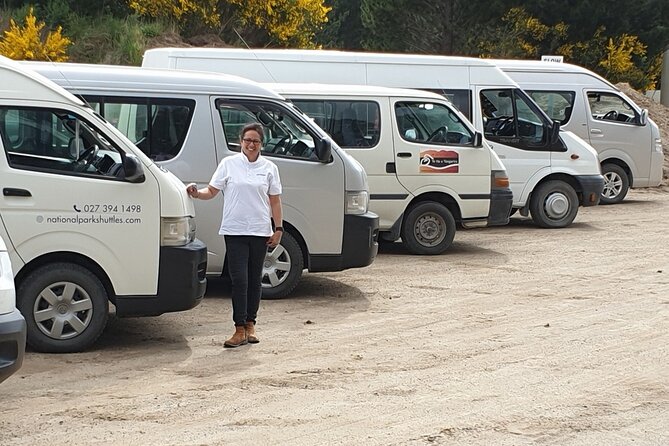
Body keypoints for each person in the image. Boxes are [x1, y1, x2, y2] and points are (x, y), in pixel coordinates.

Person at [186, 122, 283, 348]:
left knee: (254, 279)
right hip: (235, 229)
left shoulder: (269, 167)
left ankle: (251, 324)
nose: (251, 145)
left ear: (261, 144)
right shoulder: (229, 164)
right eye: (247, 140)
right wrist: (196, 194)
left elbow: (275, 200)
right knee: (239, 279)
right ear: (240, 141)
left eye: (255, 141)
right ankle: (238, 328)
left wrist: (278, 229)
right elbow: (211, 191)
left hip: (259, 230)